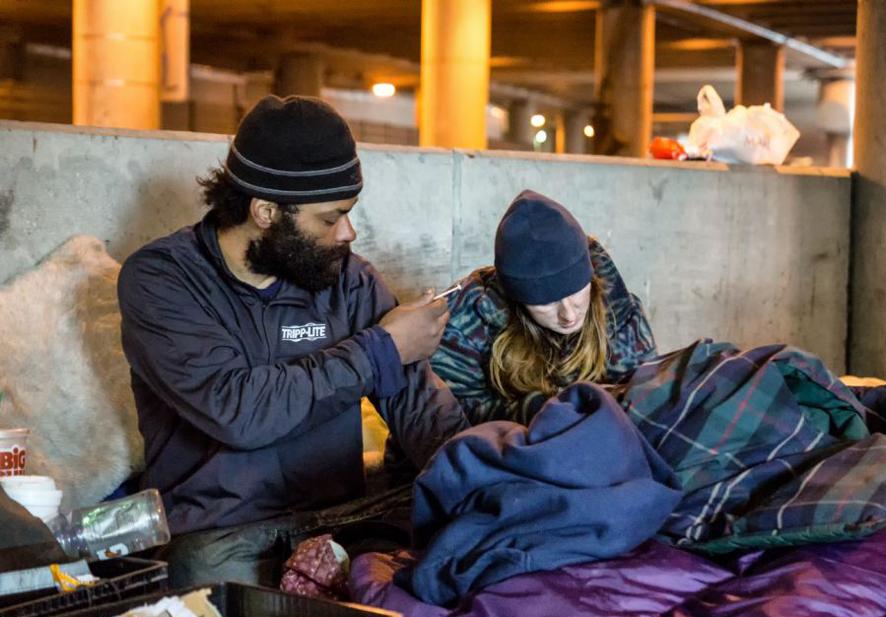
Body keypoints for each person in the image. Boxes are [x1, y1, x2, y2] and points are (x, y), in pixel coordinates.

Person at [117, 95, 469, 586]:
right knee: (201, 570)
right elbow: (239, 411)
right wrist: (381, 350)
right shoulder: (163, 281)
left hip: (339, 525)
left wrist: (484, 474)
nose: (348, 233)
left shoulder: (349, 280)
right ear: (265, 211)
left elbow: (419, 408)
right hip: (223, 538)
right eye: (329, 218)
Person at [431, 190, 657, 425]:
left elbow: (645, 400)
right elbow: (455, 425)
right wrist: (547, 411)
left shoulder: (616, 305)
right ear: (517, 298)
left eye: (576, 291)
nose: (568, 314)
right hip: (510, 444)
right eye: (546, 302)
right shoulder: (464, 326)